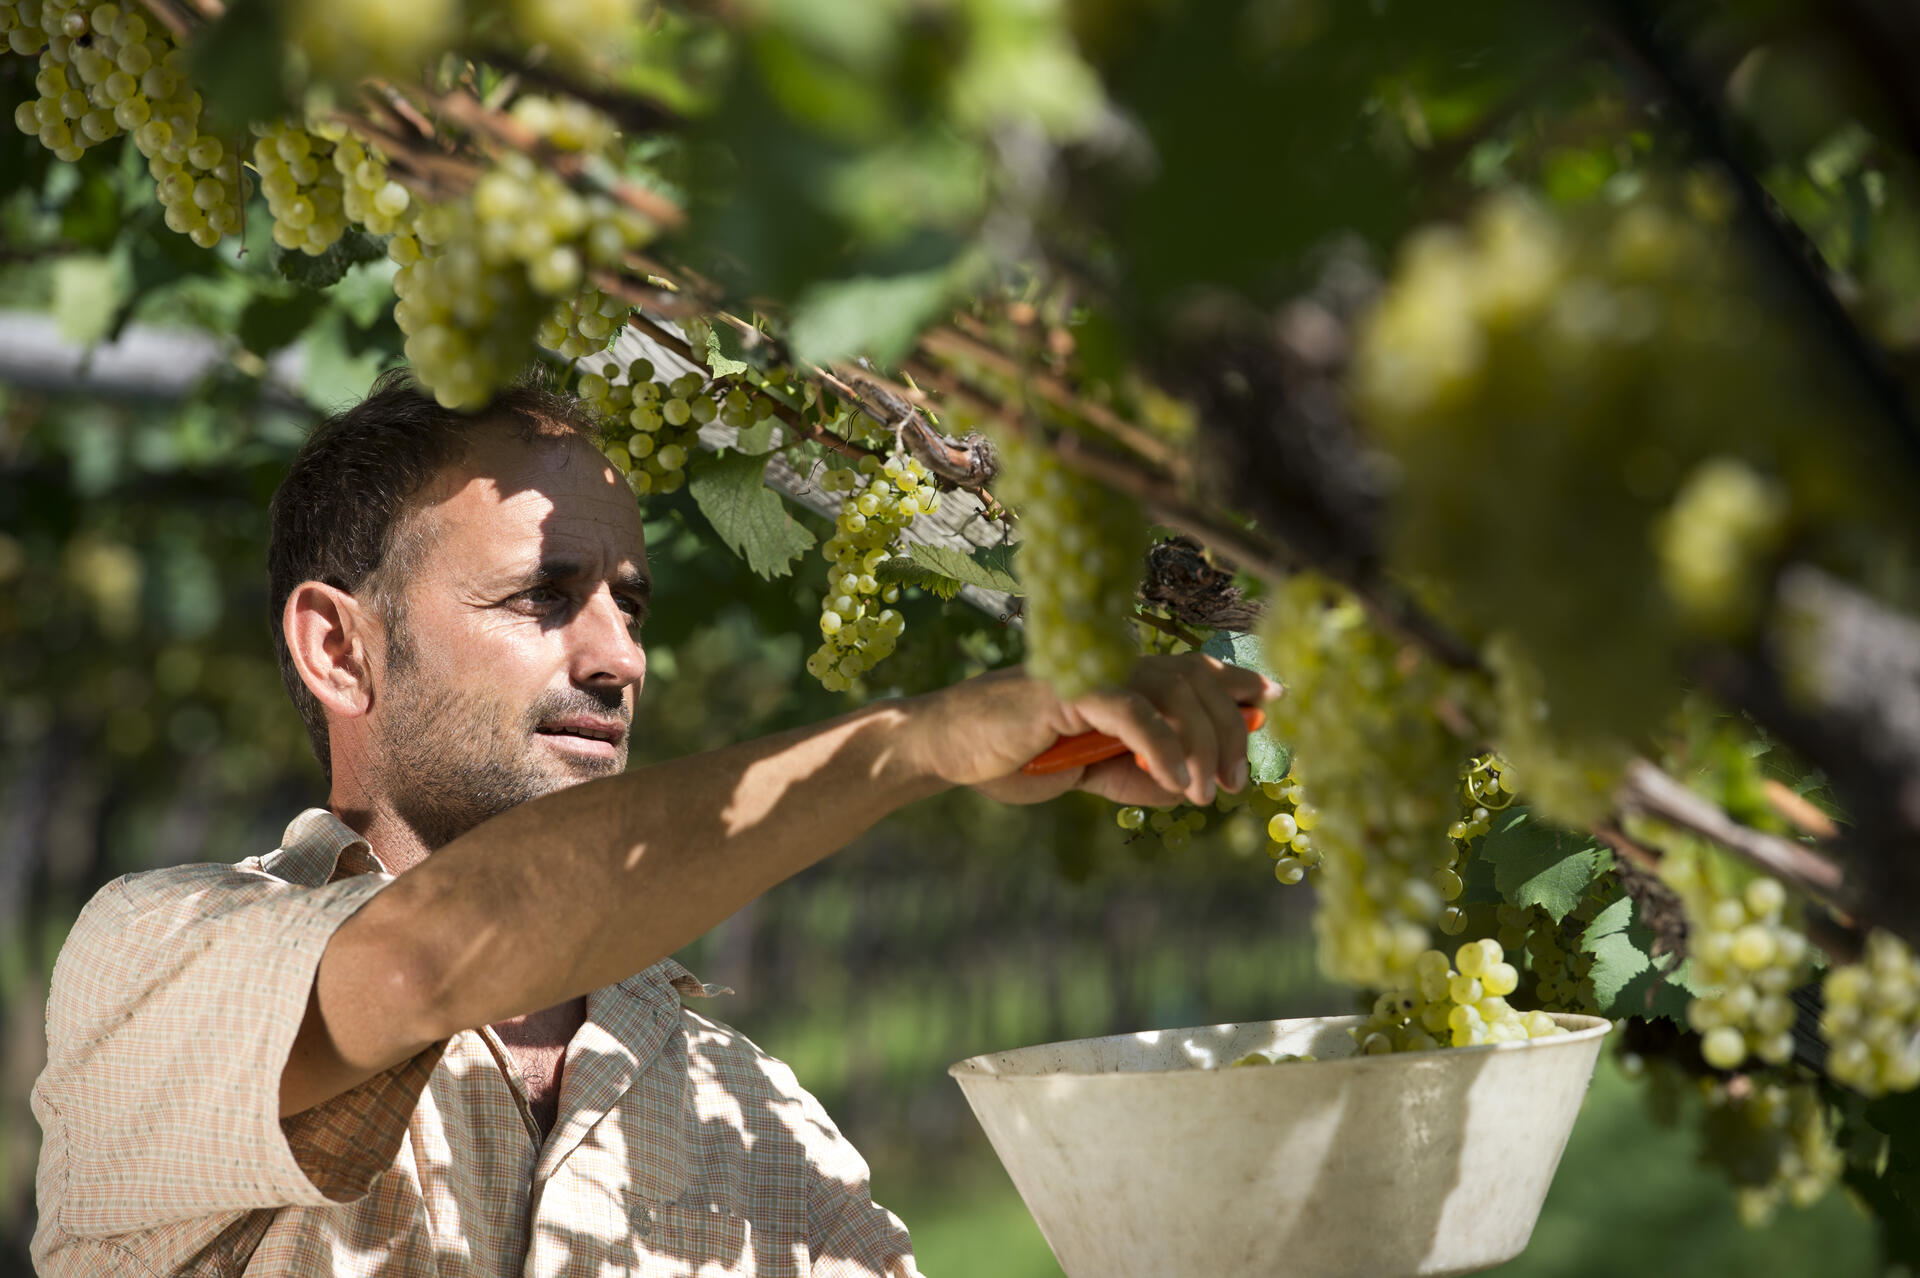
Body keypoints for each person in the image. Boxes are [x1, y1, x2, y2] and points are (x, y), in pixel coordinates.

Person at [30, 371, 1272, 1277]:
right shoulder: (152, 960)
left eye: (632, 603)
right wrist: (918, 742)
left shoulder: (745, 1109)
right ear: (339, 645)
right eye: (547, 594)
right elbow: (428, 957)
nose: (619, 654)